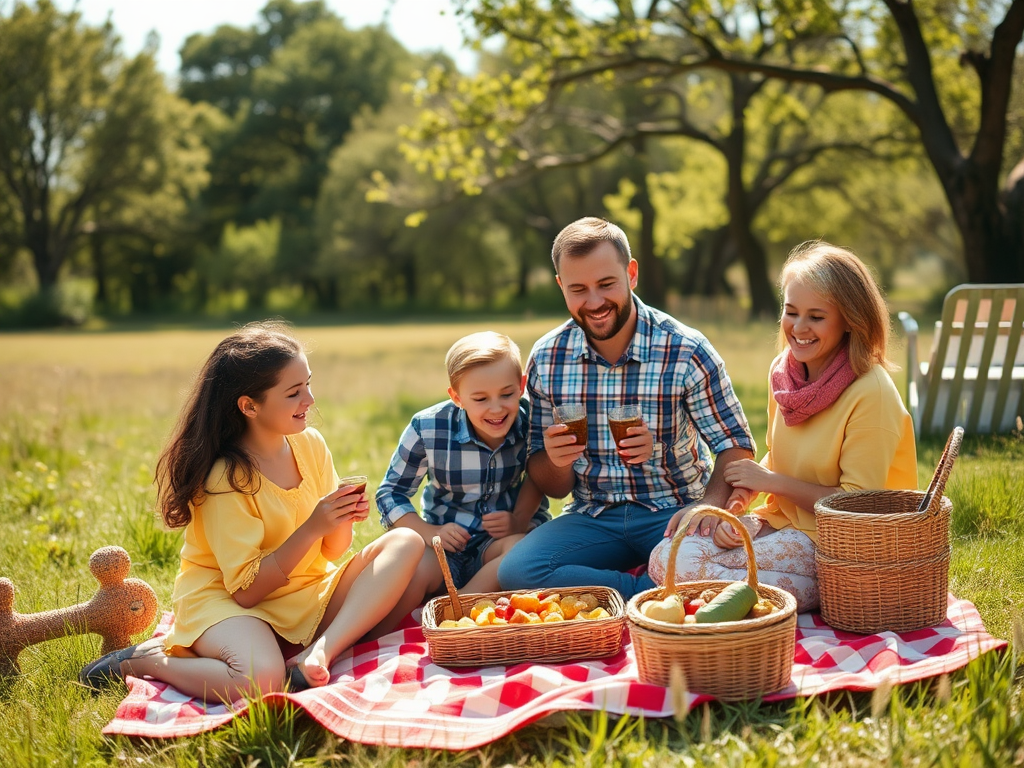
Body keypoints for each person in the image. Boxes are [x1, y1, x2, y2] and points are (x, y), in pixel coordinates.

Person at [79, 321, 424, 701]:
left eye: (308, 384)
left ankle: (320, 651)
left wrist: (340, 518)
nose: (309, 400)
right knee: (259, 682)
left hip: (304, 591)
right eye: (294, 393)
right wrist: (312, 527)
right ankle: (147, 661)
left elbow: (331, 552)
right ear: (249, 406)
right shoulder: (226, 477)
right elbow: (245, 591)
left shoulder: (310, 444)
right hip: (228, 601)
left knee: (407, 544)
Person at [648, 240, 918, 611]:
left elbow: (859, 505)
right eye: (791, 312)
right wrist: (740, 504)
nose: (799, 328)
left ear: (850, 321)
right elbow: (781, 458)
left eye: (816, 317)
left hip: (842, 545)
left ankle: (839, 591)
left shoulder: (871, 391)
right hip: (783, 521)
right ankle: (777, 597)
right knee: (666, 555)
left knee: (686, 568)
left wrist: (769, 482)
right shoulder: (785, 374)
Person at [497, 217, 756, 599]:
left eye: (606, 284)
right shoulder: (548, 357)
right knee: (518, 571)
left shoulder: (685, 349)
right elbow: (552, 486)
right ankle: (646, 592)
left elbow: (736, 446)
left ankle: (646, 589)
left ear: (631, 274)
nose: (595, 302)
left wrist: (707, 504)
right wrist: (555, 460)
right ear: (561, 288)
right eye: (578, 289)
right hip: (593, 516)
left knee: (724, 564)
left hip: (673, 510)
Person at [370, 331, 549, 636]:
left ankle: (455, 612)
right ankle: (368, 639)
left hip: (496, 548)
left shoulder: (532, 420)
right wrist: (430, 533)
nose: (496, 409)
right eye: (480, 399)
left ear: (521, 385)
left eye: (507, 394)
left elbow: (539, 474)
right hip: (442, 546)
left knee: (521, 550)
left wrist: (518, 519)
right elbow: (391, 492)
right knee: (411, 571)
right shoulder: (428, 427)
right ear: (456, 396)